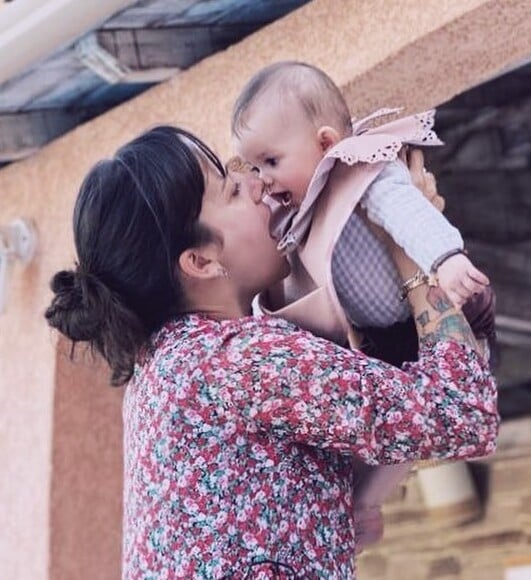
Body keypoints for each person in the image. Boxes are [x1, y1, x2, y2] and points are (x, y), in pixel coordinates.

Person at [45, 126, 499, 579]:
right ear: (200, 261)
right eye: (231, 188)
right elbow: (461, 413)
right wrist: (409, 247)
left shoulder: (166, 372)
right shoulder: (237, 361)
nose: (257, 183)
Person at [232, 61, 497, 544]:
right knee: (393, 434)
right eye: (252, 168)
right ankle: (364, 504)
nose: (262, 179)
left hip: (426, 318)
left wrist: (447, 259)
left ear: (326, 143)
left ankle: (368, 502)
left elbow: (409, 211)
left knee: (420, 421)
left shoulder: (360, 170)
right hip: (378, 341)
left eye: (270, 162)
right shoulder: (294, 214)